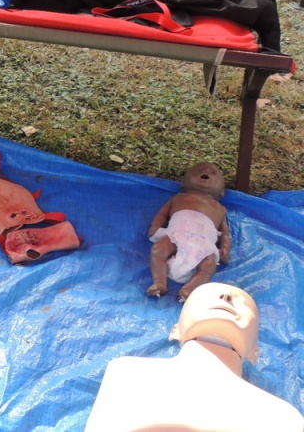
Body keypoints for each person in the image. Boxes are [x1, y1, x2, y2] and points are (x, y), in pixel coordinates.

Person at [85, 282, 304, 431]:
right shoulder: (127, 374)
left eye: (242, 302)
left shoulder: (283, 417)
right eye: (205, 297)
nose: (226, 297)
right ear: (175, 330)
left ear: (255, 352)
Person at [147, 161, 232, 302]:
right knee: (158, 249)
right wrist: (156, 226)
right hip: (176, 235)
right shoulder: (179, 198)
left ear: (222, 192)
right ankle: (159, 282)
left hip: (204, 243)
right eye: (198, 170)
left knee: (208, 265)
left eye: (213, 173)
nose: (206, 171)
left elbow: (225, 233)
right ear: (183, 184)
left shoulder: (220, 209)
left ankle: (189, 289)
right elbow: (162, 214)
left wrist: (225, 248)